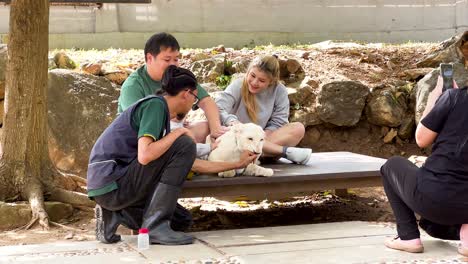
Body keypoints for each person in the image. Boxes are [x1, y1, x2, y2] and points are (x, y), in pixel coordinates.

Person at [88, 66, 205, 245]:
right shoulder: (155, 105)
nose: (192, 105)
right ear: (186, 93)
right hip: (113, 182)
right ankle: (155, 227)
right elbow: (145, 156)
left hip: (109, 185)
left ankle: (114, 213)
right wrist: (178, 133)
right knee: (184, 145)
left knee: (181, 220)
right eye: (195, 99)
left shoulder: (158, 108)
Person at [380, 76, 468, 256]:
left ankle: (408, 237)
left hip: (433, 200)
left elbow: (421, 139)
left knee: (392, 165)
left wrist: (434, 99)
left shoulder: (454, 97)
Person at [117, 32, 228, 143]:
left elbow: (206, 101)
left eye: (176, 59)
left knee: (206, 128)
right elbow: (139, 124)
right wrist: (171, 123)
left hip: (171, 130)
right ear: (149, 58)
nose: (173, 64)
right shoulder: (133, 86)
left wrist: (216, 128)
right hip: (141, 140)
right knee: (184, 140)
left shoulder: (177, 75)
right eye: (167, 60)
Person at [215, 55, 312, 164]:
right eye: (252, 75)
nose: (254, 82)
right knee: (203, 126)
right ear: (248, 71)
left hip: (265, 138)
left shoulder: (279, 91)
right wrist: (233, 122)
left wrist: (261, 136)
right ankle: (282, 152)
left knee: (298, 128)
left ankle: (249, 156)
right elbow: (218, 106)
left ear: (271, 81)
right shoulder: (238, 85)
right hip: (237, 137)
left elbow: (279, 121)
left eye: (261, 80)